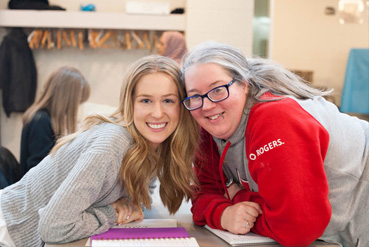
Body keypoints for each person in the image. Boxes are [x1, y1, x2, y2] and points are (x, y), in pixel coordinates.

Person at [181, 41, 369, 247]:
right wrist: (223, 213)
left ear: (244, 84)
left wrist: (238, 196)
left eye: (217, 89)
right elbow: (203, 195)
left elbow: (297, 227)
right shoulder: (210, 125)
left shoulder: (275, 119)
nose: (207, 105)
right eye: (194, 96)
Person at [0, 55, 199, 247]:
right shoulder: (112, 143)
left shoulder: (155, 145)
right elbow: (54, 227)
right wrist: (112, 212)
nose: (157, 113)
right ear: (130, 104)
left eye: (168, 101)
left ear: (182, 106)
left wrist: (127, 205)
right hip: (9, 232)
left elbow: (140, 201)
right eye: (146, 100)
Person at [20, 66, 90, 176]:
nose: (77, 105)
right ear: (67, 98)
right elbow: (38, 169)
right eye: (78, 100)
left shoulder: (44, 118)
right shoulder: (40, 121)